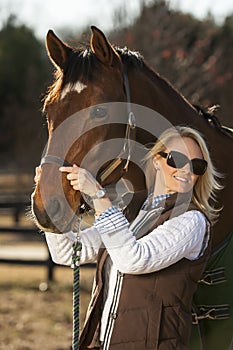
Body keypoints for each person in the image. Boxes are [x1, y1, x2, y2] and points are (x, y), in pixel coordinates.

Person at [39, 126, 222, 350]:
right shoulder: (133, 210)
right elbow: (68, 253)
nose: (186, 170)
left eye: (197, 166)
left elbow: (133, 259)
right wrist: (47, 196)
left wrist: (98, 196)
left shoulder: (192, 221)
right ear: (156, 160)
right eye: (176, 159)